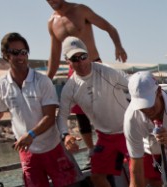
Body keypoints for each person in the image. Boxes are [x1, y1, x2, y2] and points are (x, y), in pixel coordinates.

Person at [0, 32, 77, 187]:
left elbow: (50, 116)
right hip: (27, 151)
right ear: (6, 56)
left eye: (24, 52)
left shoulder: (42, 81)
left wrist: (31, 134)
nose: (21, 56)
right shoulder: (2, 85)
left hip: (51, 146)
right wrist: (26, 138)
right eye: (15, 52)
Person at [57, 37, 129, 187]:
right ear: (68, 62)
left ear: (89, 56)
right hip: (105, 136)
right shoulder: (69, 88)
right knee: (96, 174)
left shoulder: (108, 72)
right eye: (75, 59)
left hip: (128, 131)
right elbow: (61, 116)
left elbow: (133, 86)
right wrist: (66, 136)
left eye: (83, 56)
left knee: (145, 172)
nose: (80, 62)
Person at [46, 0, 127, 156]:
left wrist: (118, 45)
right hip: (73, 68)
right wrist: (47, 79)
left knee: (105, 105)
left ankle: (120, 139)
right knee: (80, 113)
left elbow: (109, 27)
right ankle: (92, 150)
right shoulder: (52, 23)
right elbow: (54, 56)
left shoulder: (80, 10)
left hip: (93, 63)